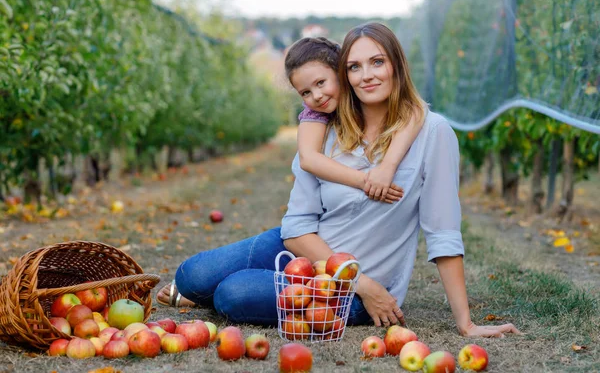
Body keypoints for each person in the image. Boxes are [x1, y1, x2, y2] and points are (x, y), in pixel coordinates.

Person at [157, 22, 520, 338]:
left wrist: (466, 323)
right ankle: (212, 289)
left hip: (360, 285)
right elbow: (297, 229)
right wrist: (356, 276)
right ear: (344, 74)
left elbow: (443, 230)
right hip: (305, 249)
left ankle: (238, 291)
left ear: (397, 66)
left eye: (377, 62)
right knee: (192, 274)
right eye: (355, 67)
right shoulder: (323, 131)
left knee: (232, 295)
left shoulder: (432, 132)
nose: (368, 75)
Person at [285, 37, 424, 203]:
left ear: (341, 73)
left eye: (321, 83)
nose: (316, 96)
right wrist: (367, 182)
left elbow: (415, 109)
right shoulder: (314, 114)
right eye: (305, 92)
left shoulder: (367, 94)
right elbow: (308, 160)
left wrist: (388, 167)